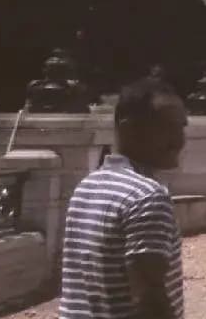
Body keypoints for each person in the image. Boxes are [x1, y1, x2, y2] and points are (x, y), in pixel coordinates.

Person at [60, 75, 187, 318]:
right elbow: (149, 299)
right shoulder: (147, 197)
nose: (179, 140)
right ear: (128, 128)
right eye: (166, 128)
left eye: (181, 127)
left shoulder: (87, 187)